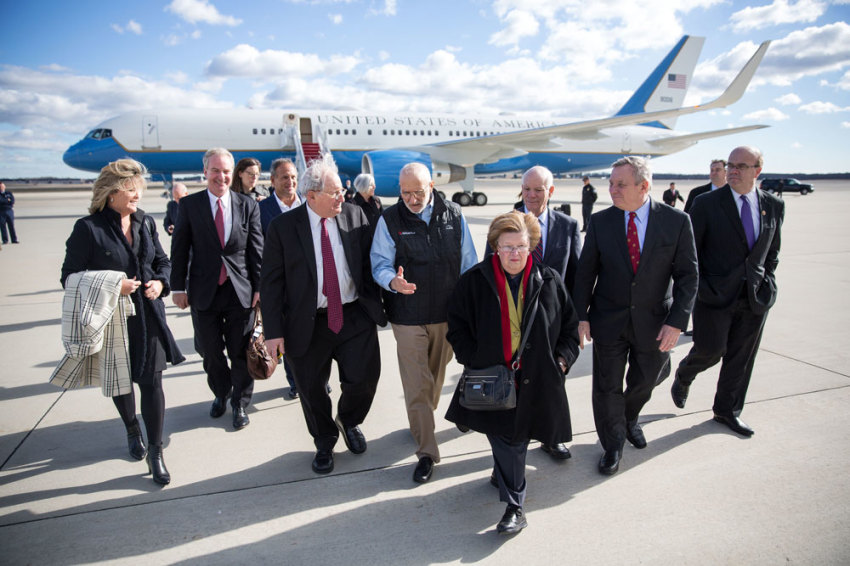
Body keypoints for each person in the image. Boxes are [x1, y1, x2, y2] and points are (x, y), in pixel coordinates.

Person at [445, 211, 580, 535]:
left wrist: (561, 362)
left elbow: (571, 330)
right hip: (492, 377)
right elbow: (457, 326)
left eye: (521, 246)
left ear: (531, 245)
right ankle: (515, 506)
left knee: (515, 438)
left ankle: (504, 479)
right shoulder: (475, 282)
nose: (515, 254)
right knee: (508, 438)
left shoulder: (549, 281)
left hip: (537, 379)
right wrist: (473, 359)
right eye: (507, 247)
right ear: (495, 246)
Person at [57, 159, 184, 485]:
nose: (137, 196)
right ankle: (131, 427)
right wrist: (115, 284)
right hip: (112, 320)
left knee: (152, 382)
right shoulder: (88, 229)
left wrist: (161, 283)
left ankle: (156, 451)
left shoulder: (145, 222)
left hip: (149, 316)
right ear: (111, 192)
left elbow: (161, 261)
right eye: (131, 190)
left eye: (139, 189)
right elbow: (69, 277)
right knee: (122, 381)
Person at [261, 154, 386, 475]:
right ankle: (325, 441)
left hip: (354, 315)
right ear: (312, 196)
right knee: (311, 389)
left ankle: (349, 420)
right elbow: (271, 284)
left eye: (342, 191)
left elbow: (374, 262)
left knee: (364, 379)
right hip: (307, 322)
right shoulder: (283, 228)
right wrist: (273, 332)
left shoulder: (355, 215)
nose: (342, 197)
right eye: (335, 193)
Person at [572, 156, 697, 476]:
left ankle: (628, 417)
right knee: (606, 386)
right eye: (611, 184)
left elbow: (688, 276)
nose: (612, 190)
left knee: (648, 377)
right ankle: (612, 444)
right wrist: (581, 315)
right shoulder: (601, 222)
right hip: (608, 320)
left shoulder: (676, 221)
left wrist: (677, 321)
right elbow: (586, 273)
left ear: (644, 186)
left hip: (656, 322)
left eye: (620, 184)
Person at [370, 162, 478, 484]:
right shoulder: (390, 219)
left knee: (433, 381)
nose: (412, 199)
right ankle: (427, 452)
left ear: (432, 186)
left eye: (419, 192)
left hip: (447, 316)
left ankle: (422, 418)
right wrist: (393, 282)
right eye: (406, 193)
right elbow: (379, 263)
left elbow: (469, 263)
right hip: (408, 316)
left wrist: (471, 306)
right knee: (417, 384)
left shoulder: (454, 215)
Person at [671, 146, 784, 437]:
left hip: (755, 296)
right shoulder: (707, 203)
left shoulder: (772, 205)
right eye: (730, 165)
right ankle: (685, 373)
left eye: (741, 166)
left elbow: (771, 251)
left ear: (757, 170)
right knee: (711, 350)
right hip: (714, 296)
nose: (733, 170)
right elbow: (689, 252)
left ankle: (727, 411)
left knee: (741, 357)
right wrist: (700, 288)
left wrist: (766, 280)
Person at [170, 148, 264, 430]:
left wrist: (260, 287)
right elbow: (180, 249)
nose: (221, 176)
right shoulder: (189, 206)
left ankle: (239, 403)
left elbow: (256, 250)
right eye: (215, 170)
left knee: (240, 351)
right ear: (205, 173)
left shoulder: (248, 205)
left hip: (240, 290)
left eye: (225, 171)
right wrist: (177, 287)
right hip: (203, 289)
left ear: (231, 173)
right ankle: (221, 392)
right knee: (210, 351)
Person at [508, 165, 580, 460]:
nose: (532, 195)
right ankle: (511, 449)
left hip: (552, 320)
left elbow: (575, 274)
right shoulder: (507, 222)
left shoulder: (568, 225)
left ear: (551, 191)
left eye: (539, 190)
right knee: (516, 384)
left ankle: (551, 438)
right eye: (527, 189)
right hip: (515, 318)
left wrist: (576, 322)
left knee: (553, 379)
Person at [258, 158, 303, 400]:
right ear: (273, 180)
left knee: (313, 334)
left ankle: (317, 378)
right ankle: (295, 381)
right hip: (280, 285)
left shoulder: (309, 203)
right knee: (286, 335)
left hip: (308, 283)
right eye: (285, 177)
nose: (290, 181)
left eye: (294, 177)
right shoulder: (261, 210)